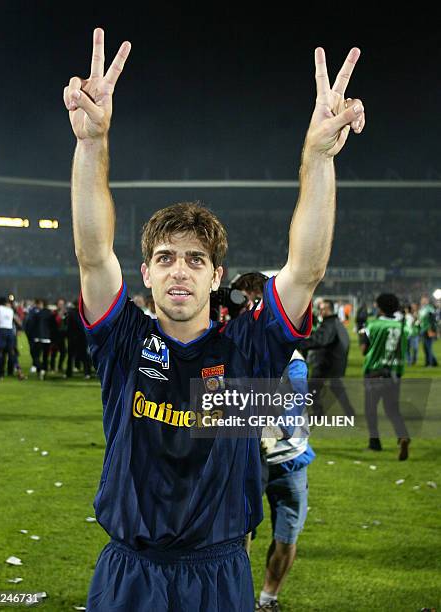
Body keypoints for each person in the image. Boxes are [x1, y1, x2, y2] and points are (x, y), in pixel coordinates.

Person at [63, 27, 365, 611]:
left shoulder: (250, 345)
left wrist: (318, 156)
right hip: (132, 569)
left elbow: (304, 269)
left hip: (220, 571)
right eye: (166, 258)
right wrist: (92, 145)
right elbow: (92, 252)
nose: (180, 271)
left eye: (196, 260)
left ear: (216, 276)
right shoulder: (123, 338)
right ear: (145, 273)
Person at [257, 351, 315, 612]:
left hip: (289, 460)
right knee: (234, 536)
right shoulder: (236, 345)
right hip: (248, 462)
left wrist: (272, 431)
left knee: (287, 536)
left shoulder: (293, 360)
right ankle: (233, 598)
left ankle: (268, 601)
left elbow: (294, 406)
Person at [359, 293, 410, 460]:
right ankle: (403, 435)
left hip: (375, 373)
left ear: (379, 307)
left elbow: (364, 350)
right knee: (393, 410)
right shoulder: (402, 326)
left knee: (370, 410)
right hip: (394, 373)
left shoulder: (373, 325)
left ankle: (375, 443)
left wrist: (362, 335)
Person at [300, 299, 355, 418]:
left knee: (312, 388)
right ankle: (350, 412)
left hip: (326, 363)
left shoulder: (329, 324)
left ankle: (318, 413)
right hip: (336, 362)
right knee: (337, 389)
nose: (319, 311)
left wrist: (300, 344)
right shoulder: (336, 323)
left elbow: (321, 340)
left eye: (321, 309)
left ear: (326, 309)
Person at [0, 297, 15, 380]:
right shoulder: (10, 310)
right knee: (10, 352)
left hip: (2, 330)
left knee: (0, 352)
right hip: (10, 331)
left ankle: (0, 374)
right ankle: (11, 370)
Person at [419, 295, 438, 367]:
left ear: (427, 301)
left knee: (428, 347)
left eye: (424, 300)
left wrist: (432, 330)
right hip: (423, 329)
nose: (422, 301)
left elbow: (432, 320)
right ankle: (433, 362)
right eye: (422, 300)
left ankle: (429, 363)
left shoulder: (429, 308)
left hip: (428, 330)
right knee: (425, 347)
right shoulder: (422, 309)